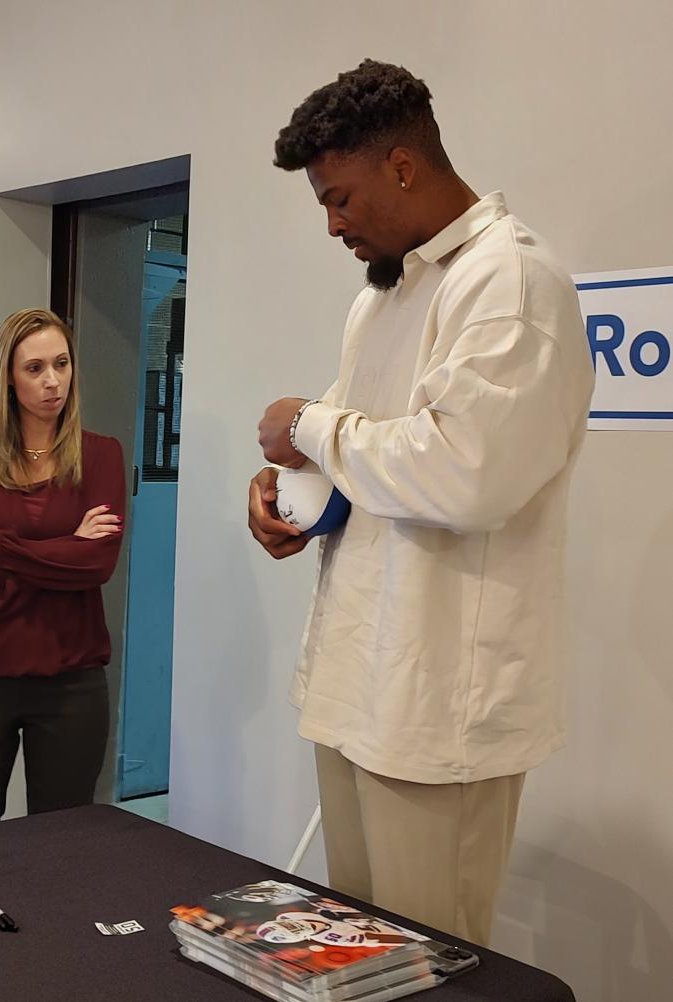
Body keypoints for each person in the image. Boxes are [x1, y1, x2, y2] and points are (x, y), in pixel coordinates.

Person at [248, 60, 594, 944]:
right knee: (360, 955)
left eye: (340, 198)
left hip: (442, 709)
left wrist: (313, 426)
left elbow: (464, 473)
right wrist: (286, 493)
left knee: (433, 964)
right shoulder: (388, 296)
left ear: (403, 167)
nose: (332, 225)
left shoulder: (510, 283)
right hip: (358, 682)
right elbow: (355, 455)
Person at [0, 307, 126, 831]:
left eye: (61, 365)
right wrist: (62, 549)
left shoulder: (102, 456)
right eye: (35, 368)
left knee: (62, 843)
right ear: (8, 377)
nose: (52, 382)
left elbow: (97, 563)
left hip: (71, 681)